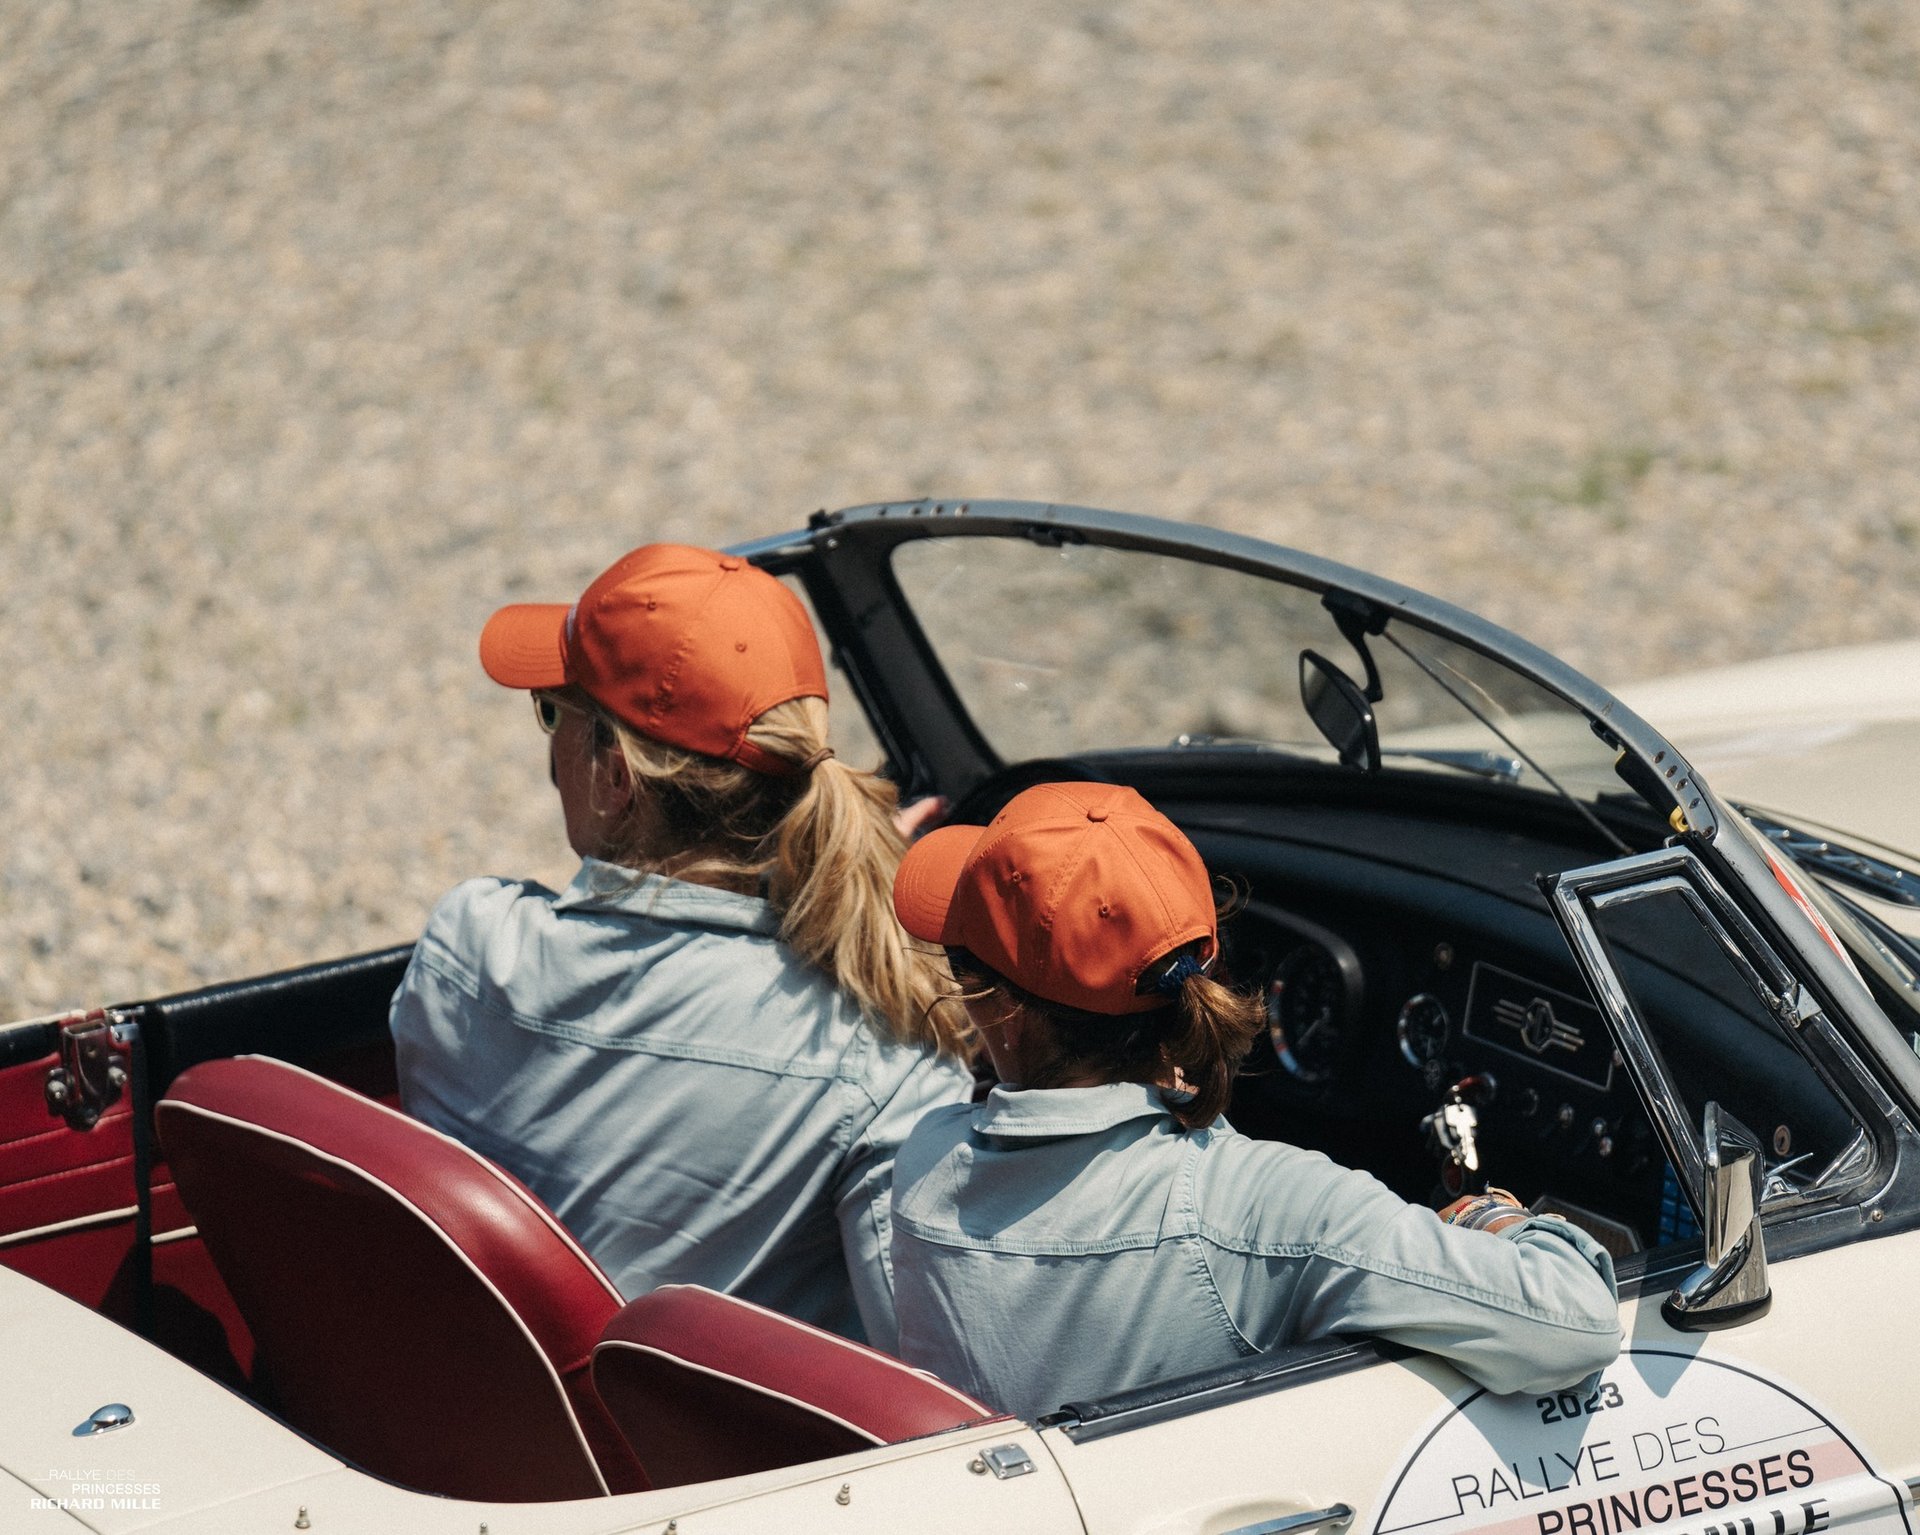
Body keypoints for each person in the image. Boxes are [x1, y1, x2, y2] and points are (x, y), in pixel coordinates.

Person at [390, 543, 974, 1349]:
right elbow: (925, 1363)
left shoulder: (467, 946)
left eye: (554, 714)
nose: (549, 756)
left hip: (482, 1399)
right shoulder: (880, 1060)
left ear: (616, 776)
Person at [887, 780, 1623, 1419]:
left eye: (962, 961)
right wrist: (1486, 1217)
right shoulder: (1267, 1207)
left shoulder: (924, 1164)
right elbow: (1577, 1325)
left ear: (1000, 1007)